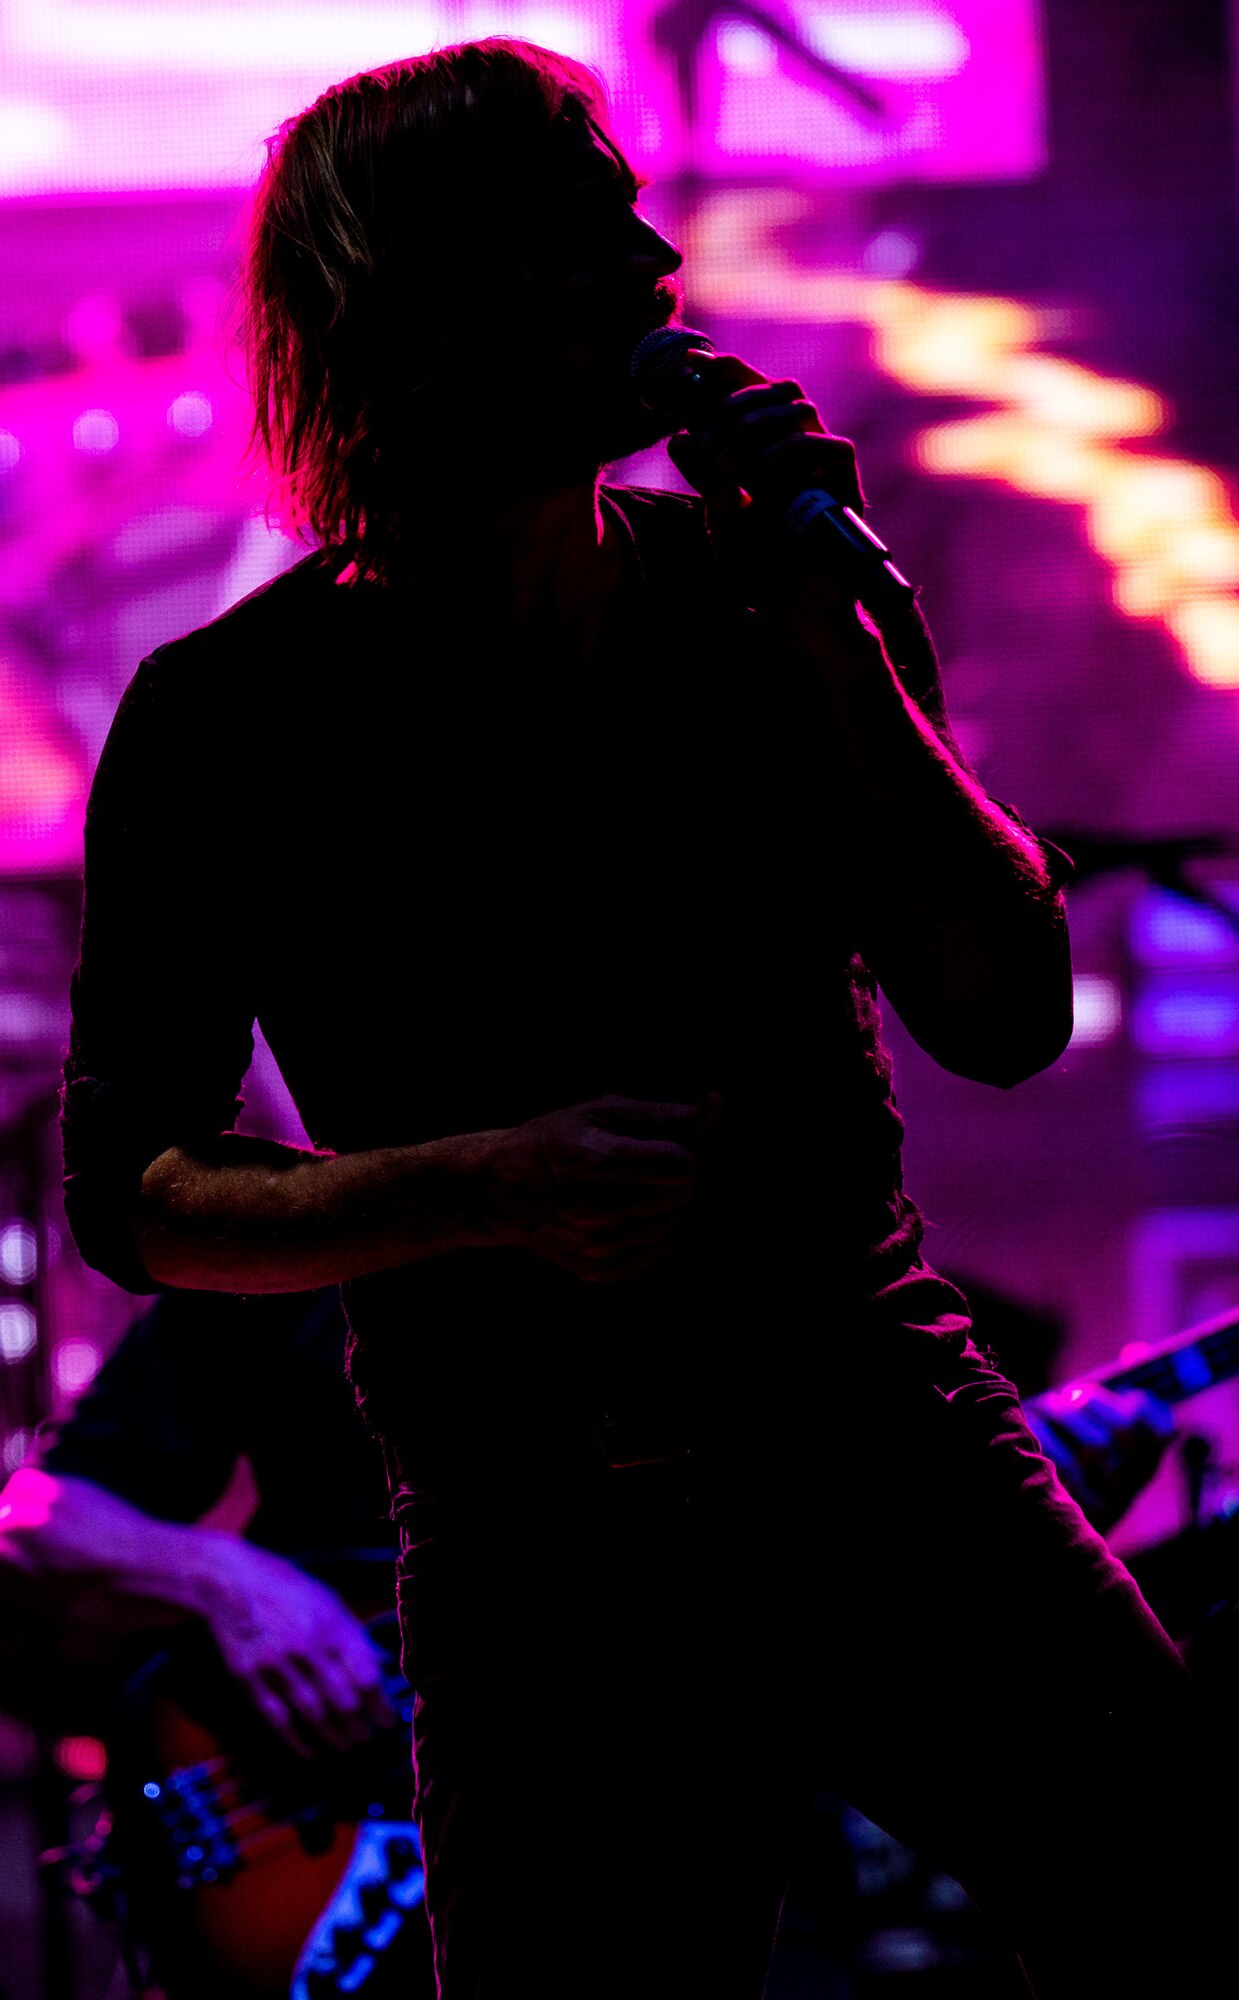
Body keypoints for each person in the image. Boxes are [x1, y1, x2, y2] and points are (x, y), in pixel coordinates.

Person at [58, 38, 1234, 1998]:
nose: (644, 253)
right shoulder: (229, 719)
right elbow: (142, 1190)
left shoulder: (757, 605)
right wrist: (473, 1186)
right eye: (573, 215)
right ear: (430, 293)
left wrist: (836, 644)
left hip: (882, 1440)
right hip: (541, 1538)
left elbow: (1002, 1010)